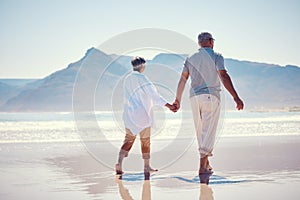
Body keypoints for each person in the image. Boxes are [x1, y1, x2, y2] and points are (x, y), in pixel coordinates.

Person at [173, 32, 244, 174]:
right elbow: (223, 75)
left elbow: (183, 79)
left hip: (194, 98)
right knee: (209, 131)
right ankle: (201, 166)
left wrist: (177, 99)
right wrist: (235, 96)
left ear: (199, 43)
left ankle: (206, 163)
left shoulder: (191, 58)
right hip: (211, 97)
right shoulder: (217, 56)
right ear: (211, 41)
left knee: (201, 131)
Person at [116, 56, 176, 175]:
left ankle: (119, 163)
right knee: (145, 141)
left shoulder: (127, 78)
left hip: (128, 113)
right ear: (142, 66)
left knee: (128, 139)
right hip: (141, 114)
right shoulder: (142, 78)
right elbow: (154, 95)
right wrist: (169, 106)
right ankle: (146, 166)